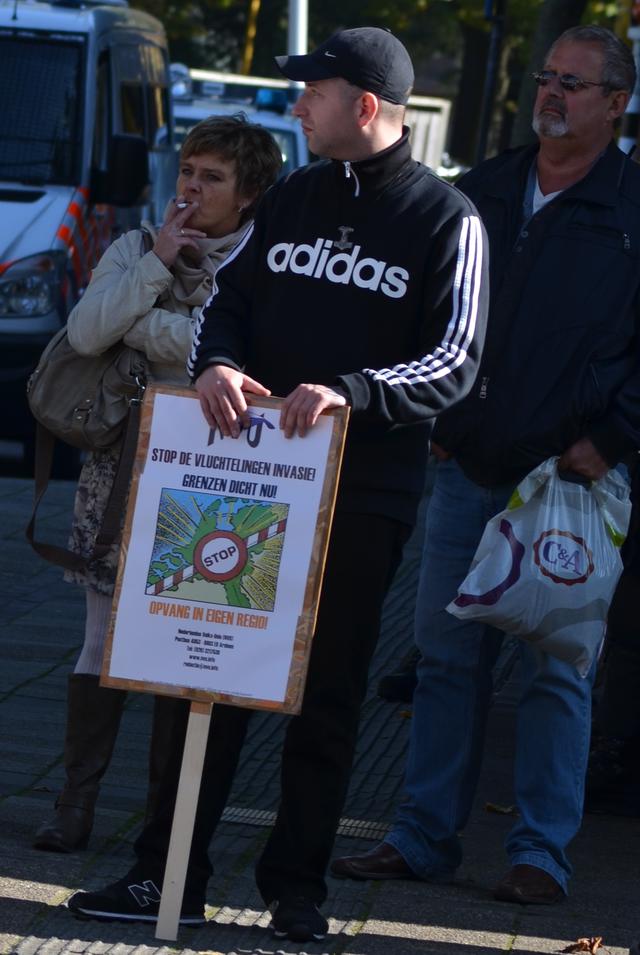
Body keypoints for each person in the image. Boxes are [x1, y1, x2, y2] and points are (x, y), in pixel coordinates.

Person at [65, 26, 489, 943]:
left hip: (360, 495)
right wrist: (216, 362)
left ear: (365, 106)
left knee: (327, 692)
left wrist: (352, 393)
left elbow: (457, 362)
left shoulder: (446, 219)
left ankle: (295, 889)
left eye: (313, 90)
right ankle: (163, 875)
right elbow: (231, 300)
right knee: (199, 675)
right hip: (242, 476)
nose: (297, 104)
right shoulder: (295, 193)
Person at [331, 25, 640, 905]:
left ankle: (540, 853)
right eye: (546, 78)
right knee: (443, 659)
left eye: (574, 84)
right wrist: (432, 414)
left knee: (557, 670)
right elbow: (424, 312)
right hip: (468, 466)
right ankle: (422, 837)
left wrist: (614, 439)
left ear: (617, 103)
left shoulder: (633, 211)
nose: (552, 94)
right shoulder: (483, 191)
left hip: (576, 480)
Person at [33, 115, 283, 854]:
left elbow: (225, 352)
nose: (192, 190)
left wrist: (142, 326)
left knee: (185, 648)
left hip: (210, 481)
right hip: (120, 471)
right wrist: (156, 270)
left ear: (249, 194)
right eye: (187, 173)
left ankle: (163, 829)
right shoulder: (139, 246)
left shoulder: (262, 264)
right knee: (100, 637)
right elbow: (84, 331)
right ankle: (74, 805)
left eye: (212, 178)